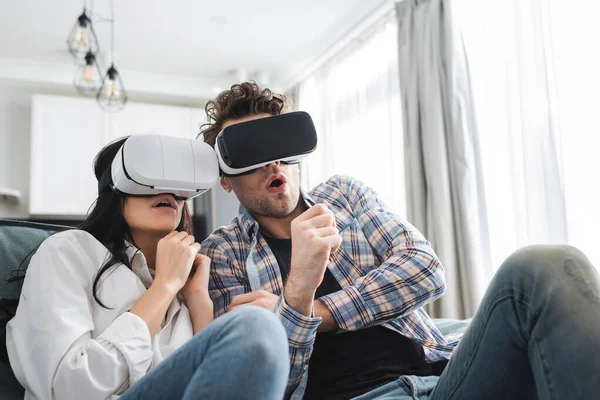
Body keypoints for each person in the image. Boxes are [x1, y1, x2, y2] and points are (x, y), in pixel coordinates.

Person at [199, 81, 600, 400]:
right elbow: (267, 387)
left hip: (443, 376)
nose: (272, 163)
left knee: (546, 266)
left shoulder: (344, 195)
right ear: (225, 180)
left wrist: (308, 313)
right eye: (249, 152)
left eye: (278, 145)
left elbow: (424, 269)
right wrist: (299, 286)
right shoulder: (223, 254)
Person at [6, 137, 290, 400]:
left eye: (177, 183)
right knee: (256, 325)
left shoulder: (188, 280)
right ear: (115, 187)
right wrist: (163, 287)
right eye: (147, 177)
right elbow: (69, 388)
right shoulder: (68, 251)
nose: (167, 190)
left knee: (258, 323)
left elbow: (205, 380)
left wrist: (197, 300)